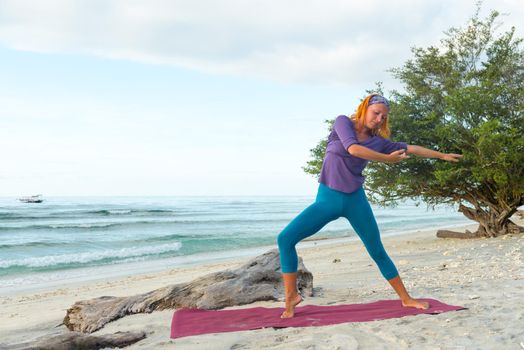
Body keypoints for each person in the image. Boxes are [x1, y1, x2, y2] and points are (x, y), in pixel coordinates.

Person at [276, 94, 463, 319]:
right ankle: (291, 297)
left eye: (383, 117)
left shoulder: (379, 142)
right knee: (285, 239)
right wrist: (387, 159)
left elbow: (411, 148)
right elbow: (353, 149)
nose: (379, 119)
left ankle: (406, 298)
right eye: (376, 113)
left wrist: (441, 155)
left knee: (377, 250)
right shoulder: (342, 122)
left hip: (355, 200)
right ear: (364, 109)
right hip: (329, 199)